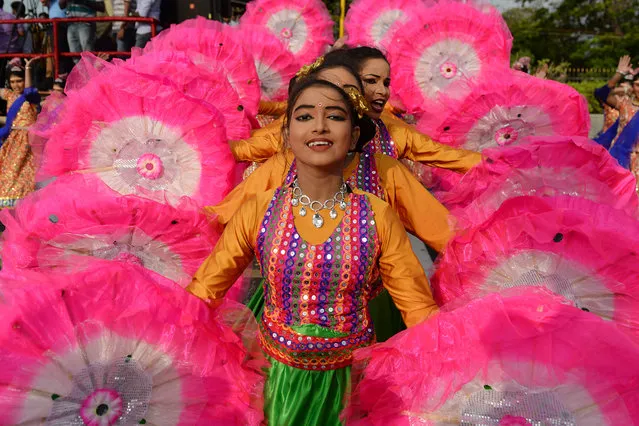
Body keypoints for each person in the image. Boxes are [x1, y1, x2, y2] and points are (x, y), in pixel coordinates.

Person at [188, 77, 439, 426]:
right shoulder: (259, 209)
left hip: (350, 389)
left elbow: (417, 308)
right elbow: (204, 291)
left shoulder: (377, 214)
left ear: (353, 135)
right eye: (305, 117)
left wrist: (450, 364)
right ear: (287, 133)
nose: (319, 126)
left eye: (334, 116)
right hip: (275, 388)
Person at [231, 47, 481, 174]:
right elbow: (245, 150)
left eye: (386, 83)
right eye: (371, 81)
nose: (381, 92)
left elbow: (450, 157)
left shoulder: (392, 137)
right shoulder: (303, 131)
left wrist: (504, 163)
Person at [0, 58, 40, 208]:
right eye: (12, 81)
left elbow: (29, 91)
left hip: (28, 141)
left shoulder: (31, 98)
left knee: (24, 174)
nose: (16, 85)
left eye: (19, 81)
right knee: (8, 172)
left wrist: (28, 69)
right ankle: (6, 208)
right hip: (12, 140)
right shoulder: (10, 96)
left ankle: (22, 208)